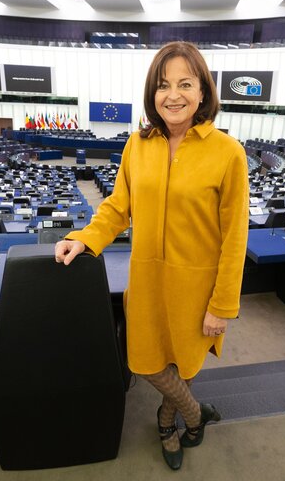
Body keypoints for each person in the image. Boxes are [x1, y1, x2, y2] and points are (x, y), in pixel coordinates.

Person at [55, 41, 249, 470]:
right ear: (152, 93)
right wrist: (84, 238)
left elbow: (235, 237)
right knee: (146, 363)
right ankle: (194, 417)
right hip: (146, 282)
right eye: (163, 85)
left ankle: (167, 423)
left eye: (185, 83)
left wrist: (223, 305)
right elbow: (116, 208)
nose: (173, 95)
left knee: (185, 364)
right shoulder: (136, 145)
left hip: (198, 288)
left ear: (203, 93)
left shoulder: (227, 153)